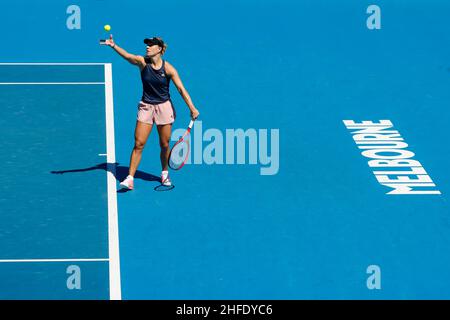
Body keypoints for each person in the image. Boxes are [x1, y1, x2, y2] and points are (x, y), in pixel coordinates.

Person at [102, 35, 200, 189]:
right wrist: (114, 46)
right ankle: (130, 177)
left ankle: (164, 173)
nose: (147, 47)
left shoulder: (168, 68)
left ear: (159, 49)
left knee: (164, 144)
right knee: (139, 143)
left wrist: (192, 108)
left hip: (164, 108)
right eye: (147, 44)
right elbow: (128, 56)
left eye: (151, 45)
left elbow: (181, 89)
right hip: (146, 107)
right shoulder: (142, 62)